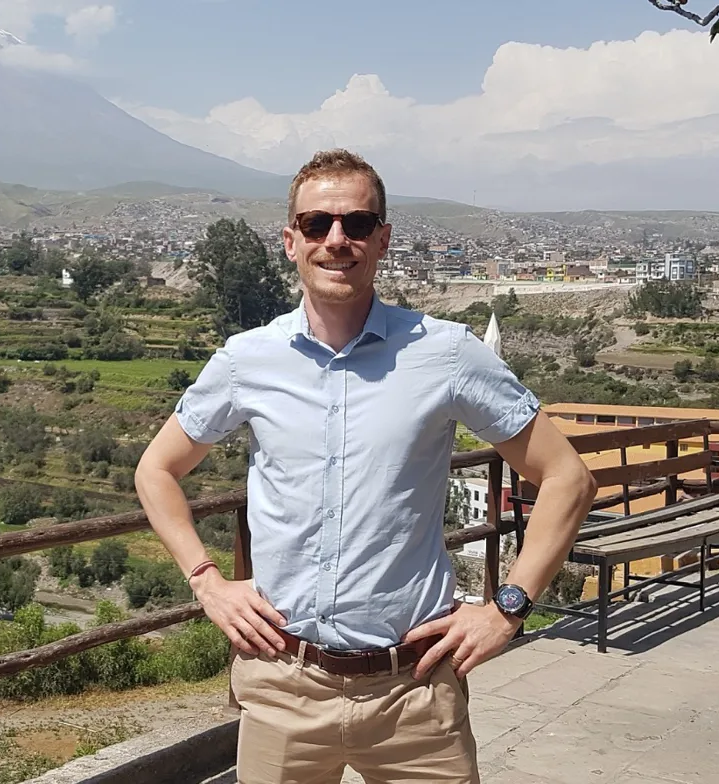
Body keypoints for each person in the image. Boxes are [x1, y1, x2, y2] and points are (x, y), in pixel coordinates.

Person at [133, 149, 595, 784]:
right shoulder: (247, 360)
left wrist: (508, 606)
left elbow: (567, 475)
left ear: (382, 239)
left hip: (415, 690)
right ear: (291, 240)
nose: (336, 240)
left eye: (355, 224)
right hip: (281, 683)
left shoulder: (446, 353)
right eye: (318, 224)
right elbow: (155, 470)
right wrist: (208, 581)